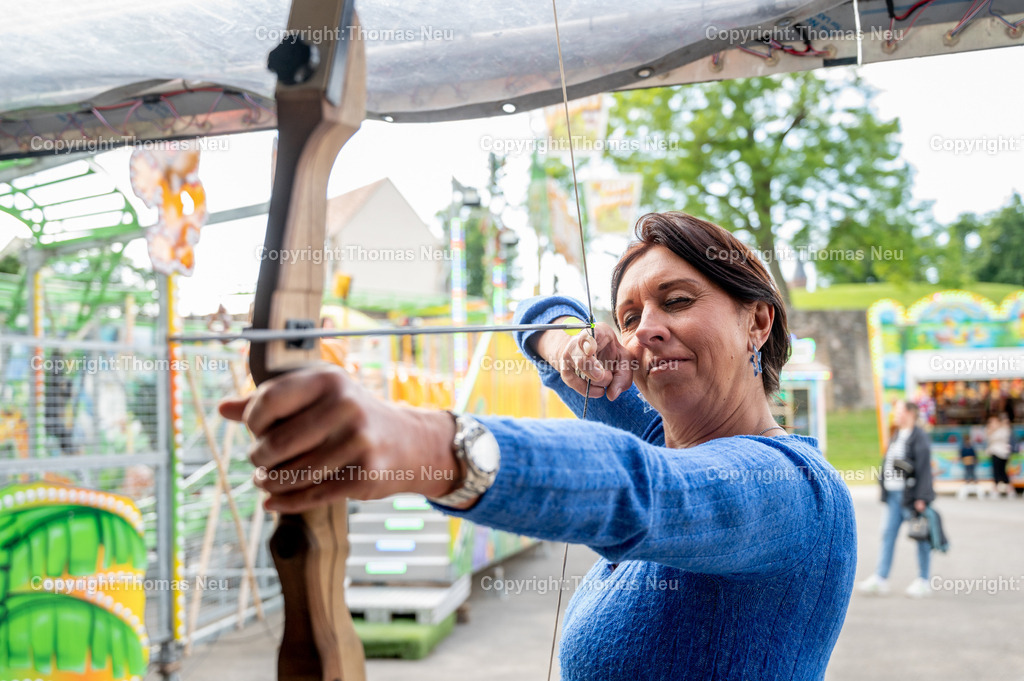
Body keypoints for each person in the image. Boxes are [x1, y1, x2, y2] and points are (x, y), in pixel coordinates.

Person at [220, 212, 857, 680]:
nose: (647, 332)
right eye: (629, 318)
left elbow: (636, 489)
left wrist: (421, 441)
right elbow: (536, 313)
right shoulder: (657, 434)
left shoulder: (796, 491)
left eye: (678, 301)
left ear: (758, 320)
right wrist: (565, 345)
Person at [858, 401, 935, 598]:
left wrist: (922, 498)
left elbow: (925, 469)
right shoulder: (897, 435)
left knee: (920, 536)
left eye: (899, 411)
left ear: (909, 413)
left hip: (910, 497)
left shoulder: (919, 437)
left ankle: (924, 580)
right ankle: (881, 577)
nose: (895, 415)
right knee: (887, 535)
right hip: (893, 496)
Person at [986, 413, 1013, 497]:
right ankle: (996, 489)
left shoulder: (1004, 429)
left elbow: (1001, 438)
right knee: (996, 471)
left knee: (1002, 471)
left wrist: (998, 427)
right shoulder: (990, 429)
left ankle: (1009, 489)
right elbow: (988, 438)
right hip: (994, 452)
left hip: (1003, 453)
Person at [955, 431, 980, 499]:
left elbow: (974, 455)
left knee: (972, 472)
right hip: (966, 462)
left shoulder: (971, 447)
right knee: (967, 472)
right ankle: (967, 481)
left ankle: (974, 480)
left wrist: (975, 459)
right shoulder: (963, 448)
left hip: (971, 462)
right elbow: (961, 454)